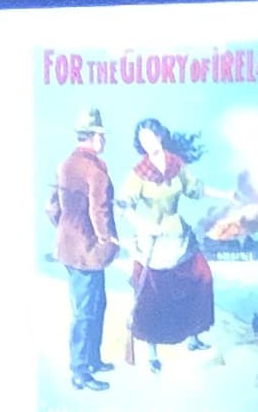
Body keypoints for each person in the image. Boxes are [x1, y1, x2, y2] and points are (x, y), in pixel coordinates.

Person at [119, 116, 214, 368]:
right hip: (152, 240)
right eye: (142, 139)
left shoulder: (176, 164)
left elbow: (195, 190)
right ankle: (152, 354)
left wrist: (226, 194)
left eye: (150, 136)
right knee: (153, 295)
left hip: (178, 235)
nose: (147, 142)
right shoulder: (138, 173)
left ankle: (193, 337)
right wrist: (144, 225)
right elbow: (125, 205)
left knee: (200, 278)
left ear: (160, 136)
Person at [49, 106, 117, 392]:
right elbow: (98, 211)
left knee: (95, 304)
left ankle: (92, 359)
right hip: (90, 251)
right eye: (102, 135)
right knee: (87, 311)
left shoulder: (65, 165)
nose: (104, 140)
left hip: (70, 249)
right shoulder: (95, 170)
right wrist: (106, 240)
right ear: (93, 137)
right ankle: (80, 371)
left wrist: (66, 231)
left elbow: (51, 207)